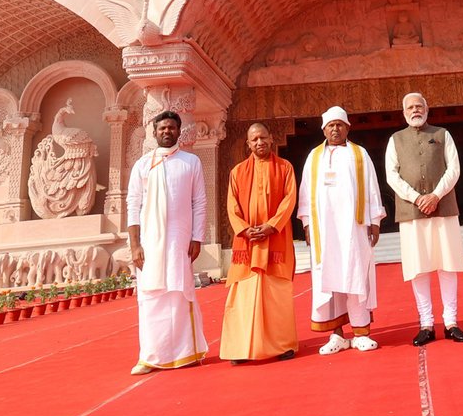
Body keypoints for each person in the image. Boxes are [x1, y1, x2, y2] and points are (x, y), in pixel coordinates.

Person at [126, 110, 208, 374]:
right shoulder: (142, 165)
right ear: (154, 132)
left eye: (171, 128)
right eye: (162, 128)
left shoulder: (191, 162)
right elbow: (133, 205)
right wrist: (135, 244)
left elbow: (199, 202)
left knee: (178, 293)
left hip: (180, 240)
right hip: (150, 242)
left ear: (178, 131)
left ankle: (186, 353)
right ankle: (149, 356)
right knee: (151, 296)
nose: (166, 132)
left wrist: (197, 237)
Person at [385, 93, 463, 347]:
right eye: (410, 107)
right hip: (412, 212)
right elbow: (392, 175)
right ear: (403, 112)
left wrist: (435, 195)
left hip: (442, 206)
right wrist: (416, 198)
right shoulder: (395, 140)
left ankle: (451, 322)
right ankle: (426, 324)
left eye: (419, 106)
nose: (415, 110)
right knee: (419, 267)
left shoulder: (443, 134)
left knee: (447, 264)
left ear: (427, 109)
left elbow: (453, 169)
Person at [297, 107, 385, 355]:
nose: (335, 129)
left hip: (354, 229)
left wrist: (375, 220)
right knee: (329, 278)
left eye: (339, 124)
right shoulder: (314, 158)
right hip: (324, 231)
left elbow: (372, 188)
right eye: (330, 125)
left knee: (356, 275)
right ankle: (336, 334)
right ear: (323, 129)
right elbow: (305, 193)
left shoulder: (359, 154)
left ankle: (360, 332)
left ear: (348, 127)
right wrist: (306, 224)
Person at [220, 123, 298, 364]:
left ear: (272, 138)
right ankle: (240, 349)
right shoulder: (237, 171)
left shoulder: (285, 167)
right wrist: (244, 229)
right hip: (248, 243)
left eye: (263, 137)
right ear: (248, 143)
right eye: (254, 140)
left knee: (276, 295)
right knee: (243, 294)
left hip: (275, 240)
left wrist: (272, 225)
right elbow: (232, 206)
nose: (259, 143)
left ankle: (282, 346)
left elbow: (289, 199)